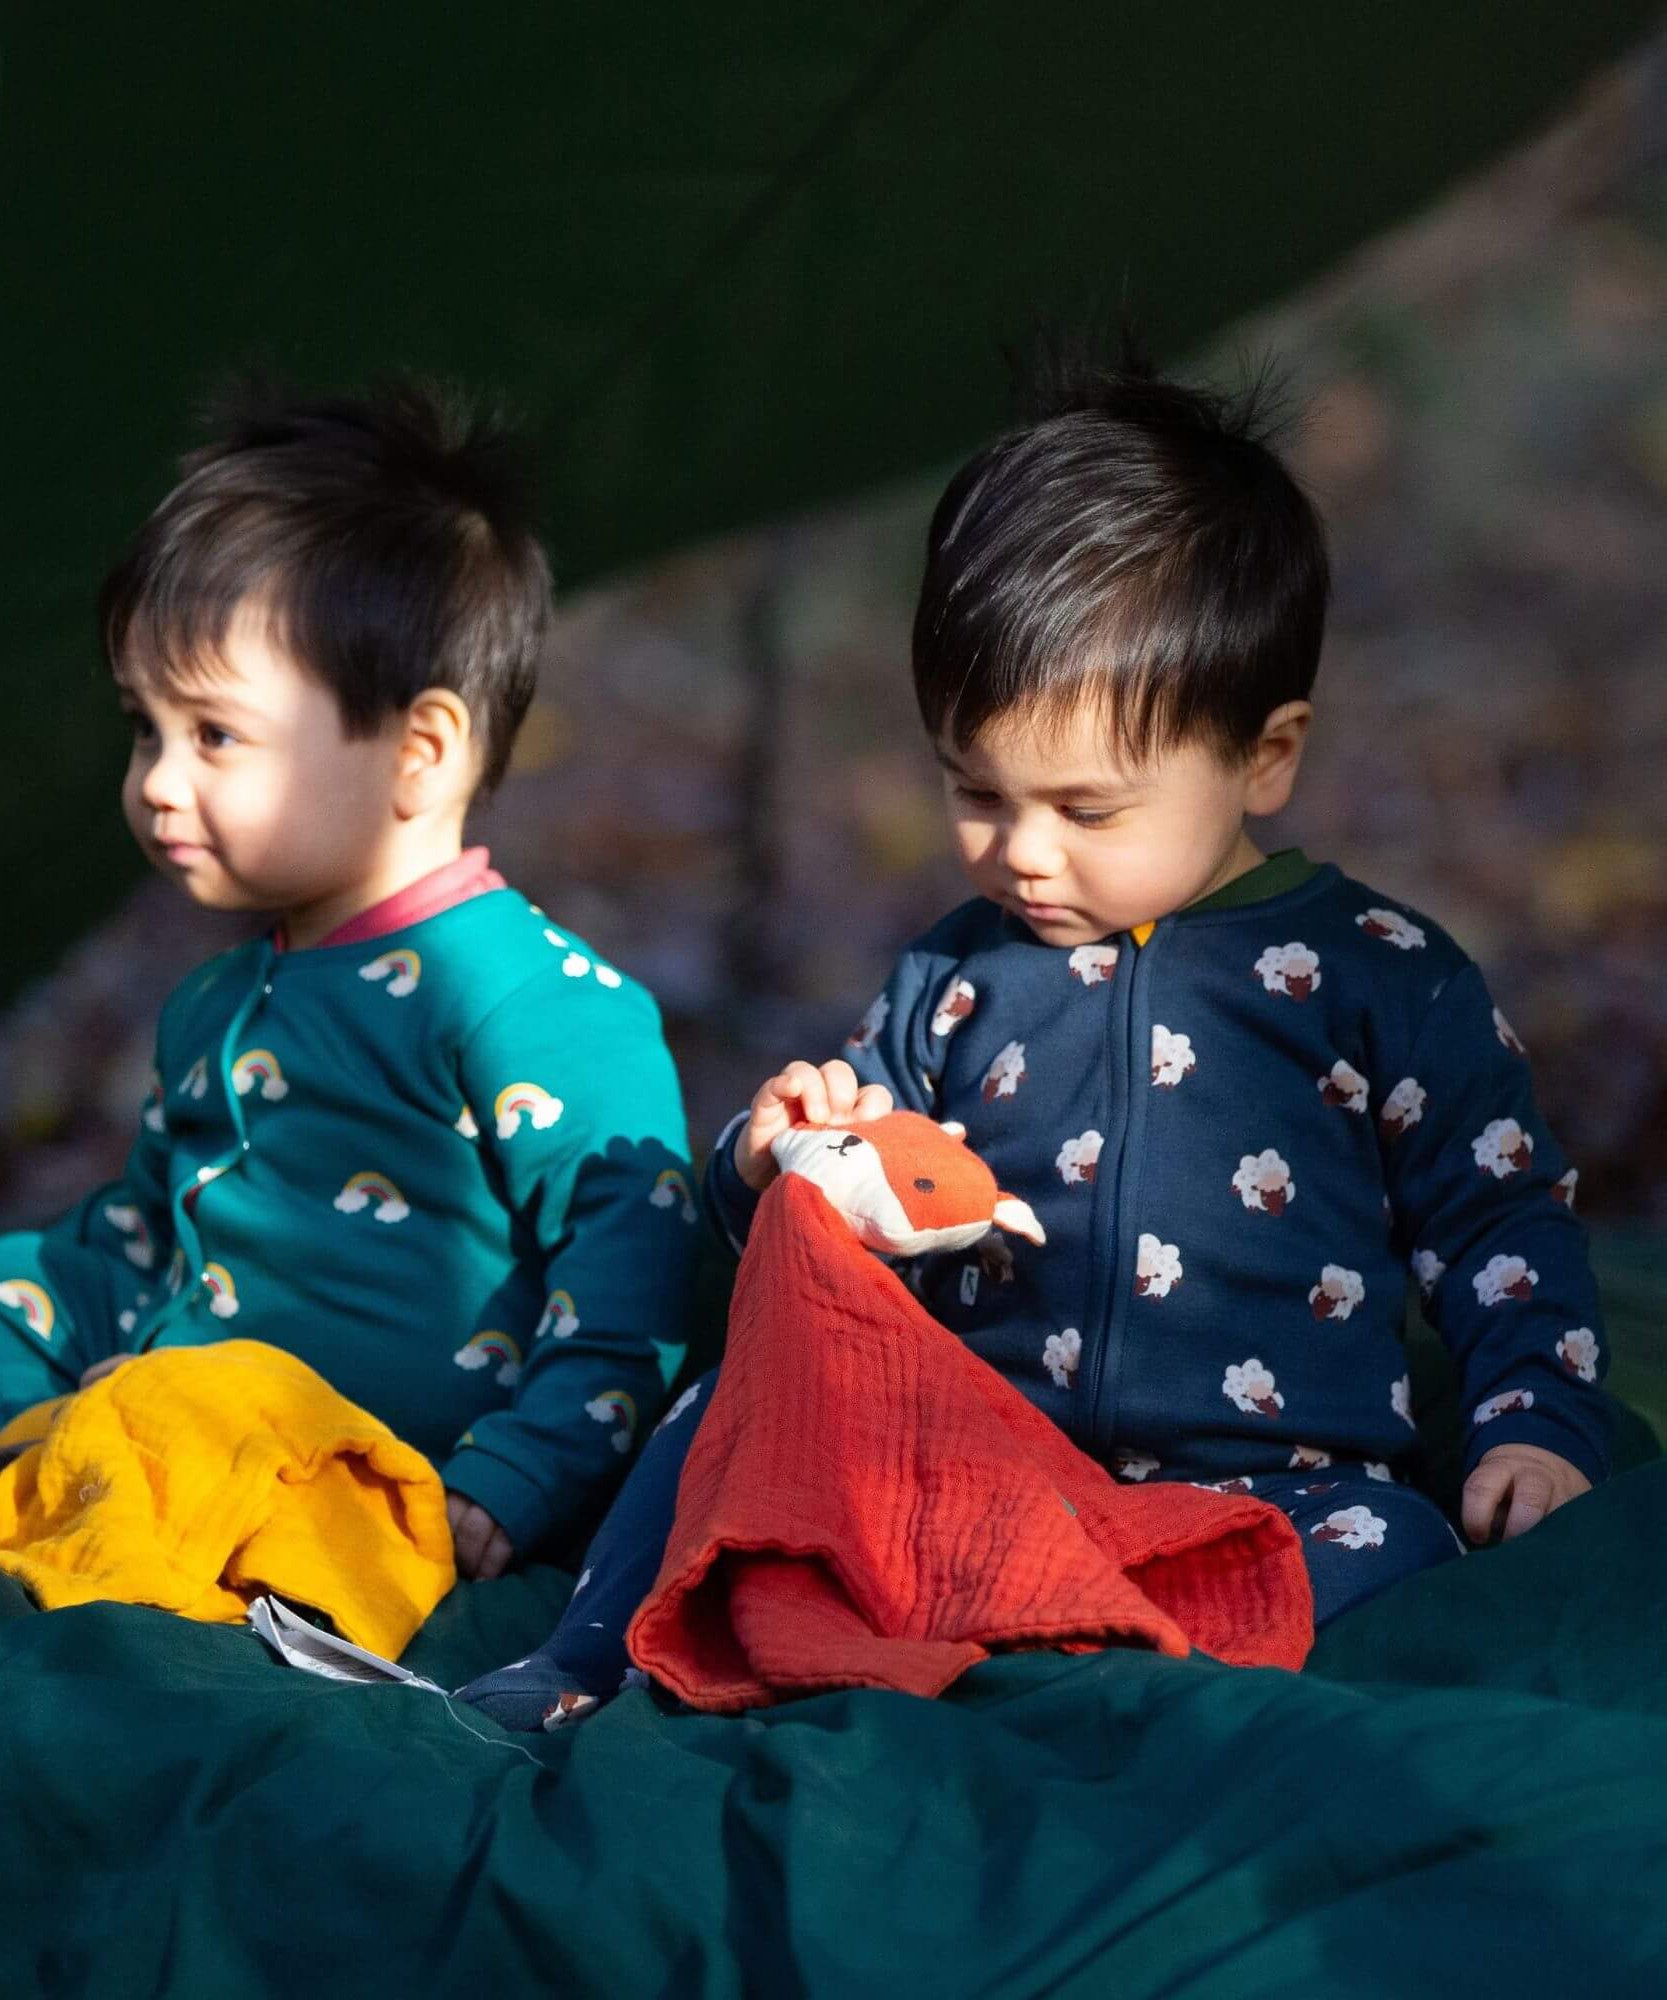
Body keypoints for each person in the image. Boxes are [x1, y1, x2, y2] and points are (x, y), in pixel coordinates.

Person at [462, 345, 1609, 1726]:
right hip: (985, 1473)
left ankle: (1129, 1684)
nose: (1021, 853)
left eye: (1087, 808)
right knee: (733, 1404)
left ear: (1263, 754)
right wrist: (772, 1156)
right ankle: (582, 1664)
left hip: (1268, 1496)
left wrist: (1532, 1423)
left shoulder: (1378, 978)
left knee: (1396, 1549)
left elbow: (1498, 1225)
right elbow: (842, 1182)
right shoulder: (959, 973)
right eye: (974, 792)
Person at [0, 384, 698, 1578]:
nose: (160, 780)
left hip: (367, 1505)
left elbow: (633, 1276)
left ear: (418, 751)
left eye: (214, 734)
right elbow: (137, 1242)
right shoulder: (218, 1004)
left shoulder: (532, 1003)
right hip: (182, 1448)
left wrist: (512, 1476)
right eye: (142, 727)